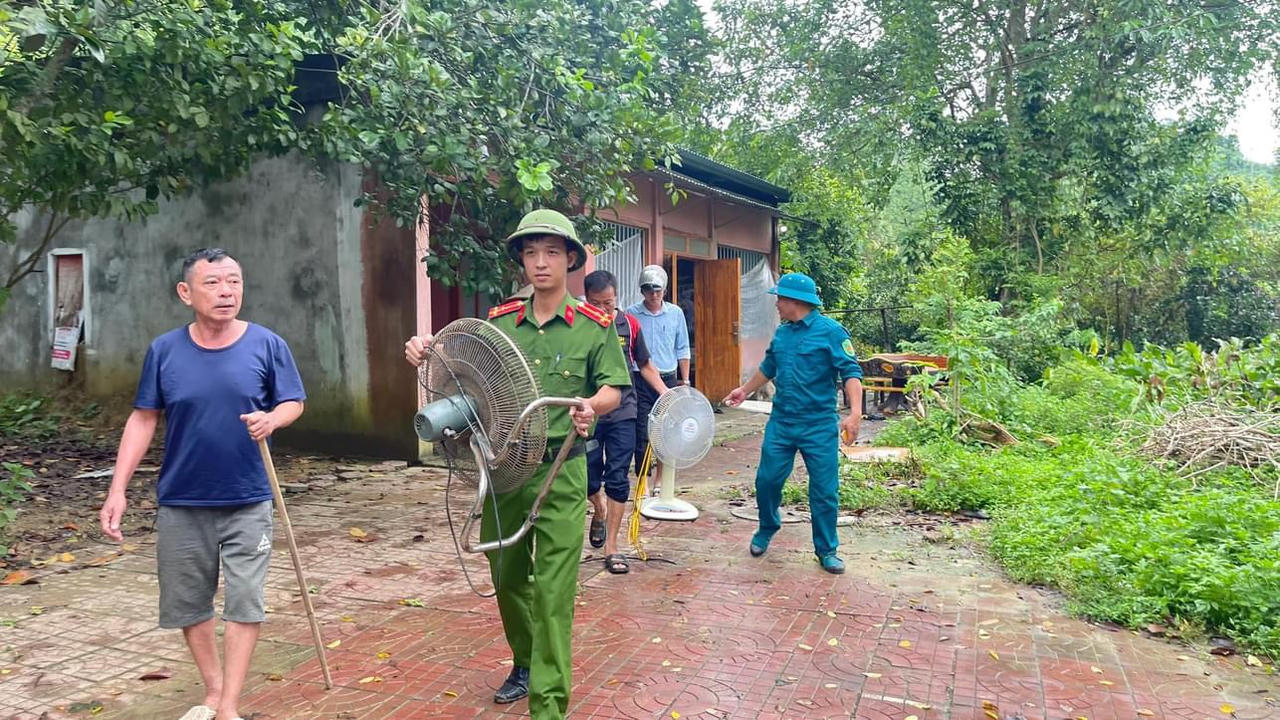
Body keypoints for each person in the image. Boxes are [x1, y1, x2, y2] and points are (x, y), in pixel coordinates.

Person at [404, 209, 630, 719]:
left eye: (551, 252)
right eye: (531, 253)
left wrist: (590, 405)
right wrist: (424, 350)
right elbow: (460, 369)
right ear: (522, 262)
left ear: (570, 259)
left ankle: (548, 706)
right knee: (506, 576)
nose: (541, 263)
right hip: (505, 468)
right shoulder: (500, 323)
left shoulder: (594, 327)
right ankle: (526, 661)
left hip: (562, 470)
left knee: (553, 590)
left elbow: (614, 389)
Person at [98, 248, 306, 720]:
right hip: (182, 499)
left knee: (245, 601)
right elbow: (144, 418)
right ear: (185, 292)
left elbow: (293, 400)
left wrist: (273, 419)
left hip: (249, 496)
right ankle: (213, 689)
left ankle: (229, 706)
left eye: (234, 281)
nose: (226, 291)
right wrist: (117, 489)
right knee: (188, 604)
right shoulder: (164, 350)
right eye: (212, 282)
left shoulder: (267, 344)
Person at [722, 272, 862, 575]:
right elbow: (768, 368)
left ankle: (827, 550)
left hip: (819, 425)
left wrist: (855, 413)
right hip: (782, 422)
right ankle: (767, 526)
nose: (776, 304)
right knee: (767, 480)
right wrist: (744, 390)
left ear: (795, 301)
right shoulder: (782, 334)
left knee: (824, 490)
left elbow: (851, 372)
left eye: (779, 298)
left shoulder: (832, 332)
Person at [582, 269, 668, 574]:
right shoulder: (578, 325)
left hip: (624, 412)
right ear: (586, 299)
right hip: (589, 414)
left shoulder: (629, 325)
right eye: (596, 303)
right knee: (588, 477)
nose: (603, 310)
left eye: (608, 303)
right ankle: (599, 508)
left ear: (616, 297)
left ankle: (612, 546)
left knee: (618, 476)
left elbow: (644, 364)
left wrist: (666, 393)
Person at [625, 265, 690, 479]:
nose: (653, 295)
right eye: (648, 290)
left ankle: (661, 482)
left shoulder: (675, 313)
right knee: (642, 432)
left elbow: (682, 347)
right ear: (641, 291)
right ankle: (642, 482)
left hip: (668, 378)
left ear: (665, 291)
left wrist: (685, 381)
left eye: (657, 290)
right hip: (640, 379)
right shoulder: (631, 314)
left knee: (666, 431)